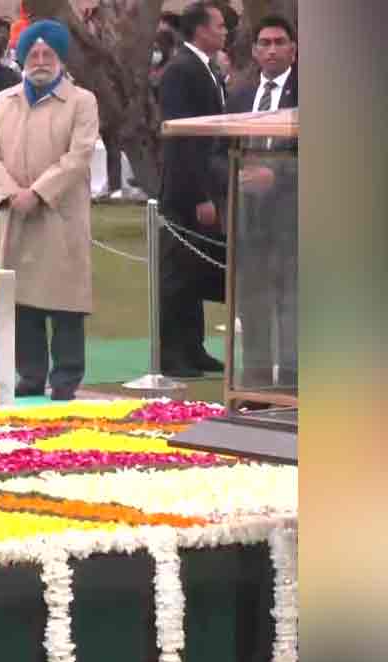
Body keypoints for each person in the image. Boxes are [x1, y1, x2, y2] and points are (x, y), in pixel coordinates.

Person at [0, 19, 99, 401]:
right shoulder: (4, 101)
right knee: (22, 301)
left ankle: (66, 379)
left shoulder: (82, 102)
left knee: (65, 300)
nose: (41, 60)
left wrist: (39, 192)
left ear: (60, 58)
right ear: (22, 58)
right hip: (15, 213)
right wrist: (12, 193)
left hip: (59, 215)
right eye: (34, 54)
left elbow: (78, 157)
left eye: (48, 54)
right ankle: (29, 377)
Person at [226, 15, 298, 393]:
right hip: (247, 221)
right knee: (251, 307)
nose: (272, 49)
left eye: (279, 42)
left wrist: (278, 175)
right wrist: (233, 175)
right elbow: (217, 151)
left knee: (291, 306)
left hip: (294, 220)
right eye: (264, 43)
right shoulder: (240, 95)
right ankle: (253, 387)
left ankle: (291, 385)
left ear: (293, 49)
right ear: (254, 51)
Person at [158, 1, 228, 377]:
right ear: (200, 29)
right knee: (176, 275)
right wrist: (201, 194)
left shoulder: (207, 68)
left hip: (206, 185)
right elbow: (183, 139)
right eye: (219, 25)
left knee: (196, 270)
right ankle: (172, 354)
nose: (224, 31)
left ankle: (193, 346)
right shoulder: (180, 70)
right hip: (185, 191)